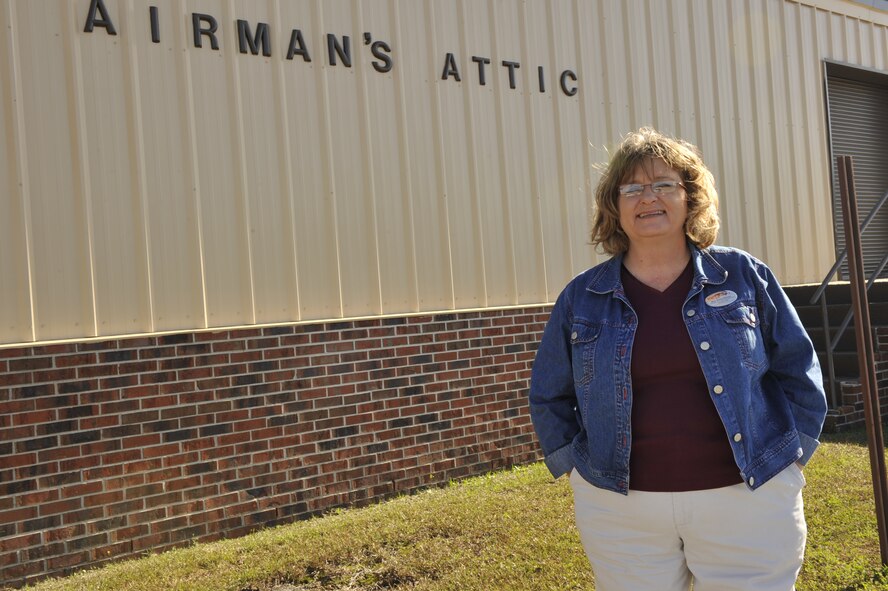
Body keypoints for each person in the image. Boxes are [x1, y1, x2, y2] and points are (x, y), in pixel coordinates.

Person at [528, 127, 828, 591]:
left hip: (748, 500)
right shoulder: (581, 297)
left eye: (664, 184)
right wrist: (580, 474)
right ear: (616, 206)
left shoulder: (744, 274)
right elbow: (549, 393)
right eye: (632, 188)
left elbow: (798, 367)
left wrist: (792, 457)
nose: (648, 197)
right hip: (623, 512)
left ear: (689, 197)